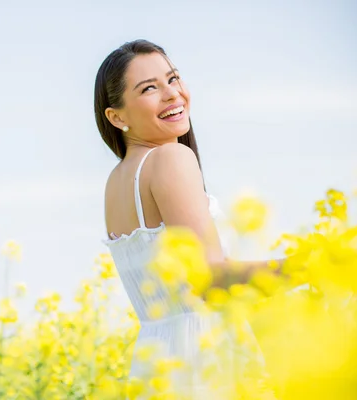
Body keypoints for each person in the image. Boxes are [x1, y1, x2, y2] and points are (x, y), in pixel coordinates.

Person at [95, 39, 275, 398]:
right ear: (117, 117)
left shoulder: (116, 183)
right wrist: (308, 265)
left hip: (155, 363)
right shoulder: (171, 158)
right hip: (205, 357)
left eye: (173, 79)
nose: (171, 94)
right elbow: (208, 279)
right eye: (149, 88)